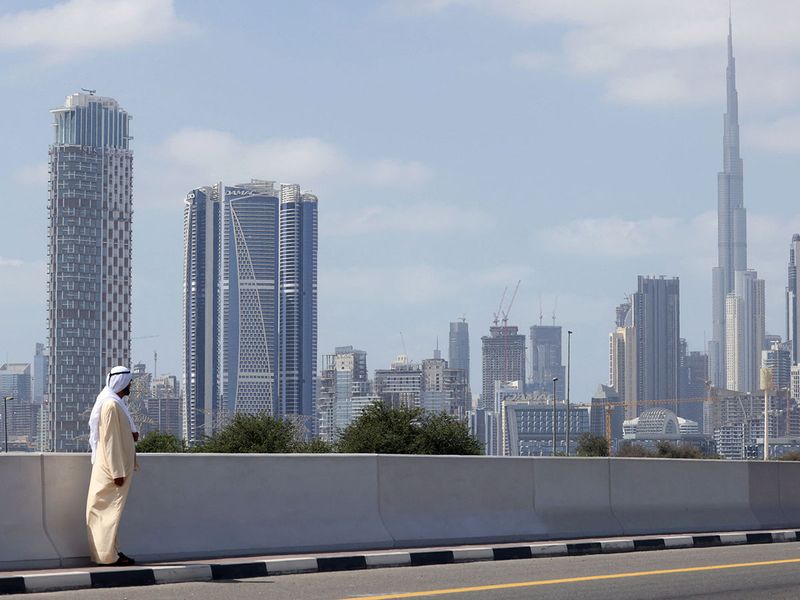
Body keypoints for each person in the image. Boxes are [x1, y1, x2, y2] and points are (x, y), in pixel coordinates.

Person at [85, 366, 140, 566]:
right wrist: (117, 472)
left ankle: (112, 553)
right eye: (130, 383)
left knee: (110, 514)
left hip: (114, 469)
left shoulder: (115, 404)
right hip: (112, 471)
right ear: (122, 383)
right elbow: (110, 441)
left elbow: (120, 433)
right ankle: (107, 556)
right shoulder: (110, 406)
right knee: (106, 514)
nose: (131, 386)